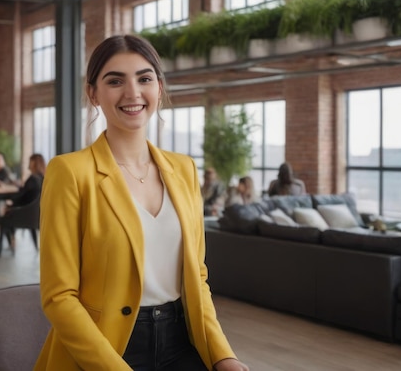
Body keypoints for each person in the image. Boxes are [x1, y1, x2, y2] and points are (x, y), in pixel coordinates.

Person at [35, 35, 248, 371]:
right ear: (93, 94)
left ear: (158, 88)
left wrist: (224, 355)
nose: (132, 92)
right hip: (105, 350)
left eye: (144, 78)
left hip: (181, 343)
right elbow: (58, 297)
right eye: (115, 80)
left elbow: (198, 276)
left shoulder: (184, 170)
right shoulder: (70, 173)